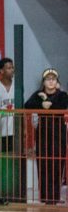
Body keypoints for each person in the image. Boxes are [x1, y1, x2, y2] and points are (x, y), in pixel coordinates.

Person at [24, 68, 68, 203]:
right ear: (43, 82)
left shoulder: (62, 95)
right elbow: (27, 105)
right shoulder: (38, 94)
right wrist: (41, 102)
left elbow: (62, 106)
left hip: (58, 134)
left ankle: (54, 196)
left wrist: (49, 104)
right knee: (43, 163)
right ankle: (44, 196)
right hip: (43, 134)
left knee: (56, 164)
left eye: (53, 79)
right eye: (48, 79)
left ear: (57, 82)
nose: (51, 81)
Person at [0, 58, 15, 153]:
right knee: (1, 158)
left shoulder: (17, 86)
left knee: (15, 158)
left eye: (12, 67)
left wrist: (24, 129)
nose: (12, 70)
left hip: (14, 131)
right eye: (9, 68)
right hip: (0, 131)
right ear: (1, 71)